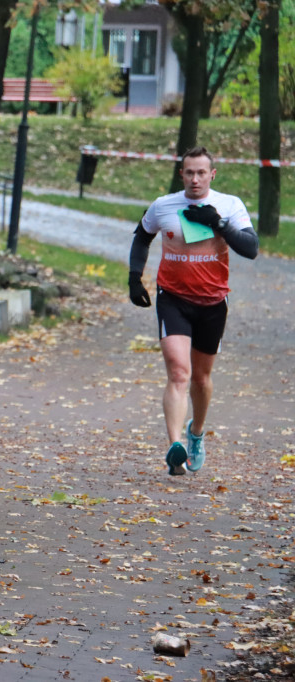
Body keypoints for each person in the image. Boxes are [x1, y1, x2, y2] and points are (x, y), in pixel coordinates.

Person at [128, 146, 258, 476]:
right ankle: (176, 447)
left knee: (200, 378)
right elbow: (142, 237)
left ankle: (195, 433)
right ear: (181, 174)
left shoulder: (230, 205)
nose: (195, 178)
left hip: (213, 301)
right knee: (178, 372)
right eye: (189, 172)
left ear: (212, 175)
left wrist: (219, 224)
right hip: (173, 299)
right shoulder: (163, 206)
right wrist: (134, 278)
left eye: (202, 172)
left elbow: (251, 248)